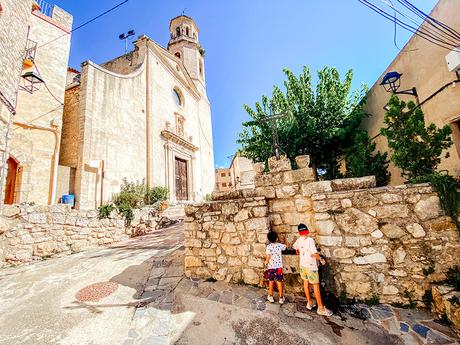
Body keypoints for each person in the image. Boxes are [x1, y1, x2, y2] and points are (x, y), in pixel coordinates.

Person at [293, 223, 333, 316]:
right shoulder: (310, 240)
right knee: (316, 286)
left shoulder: (299, 240)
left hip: (303, 265)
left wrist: (300, 251)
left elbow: (296, 248)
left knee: (306, 283)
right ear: (307, 231)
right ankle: (320, 308)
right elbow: (314, 254)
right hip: (311, 266)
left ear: (299, 233)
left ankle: (309, 303)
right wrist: (321, 259)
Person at [264, 231, 286, 304]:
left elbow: (268, 256)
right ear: (276, 239)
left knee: (271, 281)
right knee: (279, 282)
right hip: (279, 267)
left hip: (271, 267)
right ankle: (281, 298)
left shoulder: (268, 247)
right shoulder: (280, 245)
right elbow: (285, 247)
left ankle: (270, 296)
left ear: (269, 239)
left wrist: (266, 262)